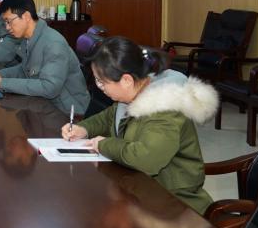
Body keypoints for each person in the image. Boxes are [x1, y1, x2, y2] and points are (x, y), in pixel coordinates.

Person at [61, 36, 217, 214]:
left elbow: (146, 160)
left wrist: (103, 144)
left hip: (174, 201)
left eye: (102, 82)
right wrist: (84, 128)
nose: (99, 87)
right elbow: (109, 117)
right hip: (139, 187)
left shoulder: (165, 108)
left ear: (126, 80)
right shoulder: (133, 93)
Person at [0, 0, 90, 115]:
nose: (7, 27)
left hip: (68, 111)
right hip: (46, 104)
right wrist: (0, 75)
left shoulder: (53, 43)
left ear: (26, 16)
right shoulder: (28, 38)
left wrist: (3, 83)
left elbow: (49, 88)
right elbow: (24, 69)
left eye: (9, 21)